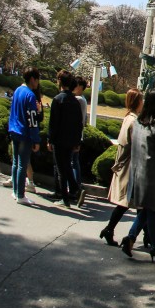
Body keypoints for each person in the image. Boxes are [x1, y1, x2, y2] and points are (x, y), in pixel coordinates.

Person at [122, 89, 155, 264]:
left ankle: (130, 239)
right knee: (153, 212)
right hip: (152, 176)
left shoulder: (138, 123)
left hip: (138, 173)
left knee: (145, 211)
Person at [100, 88, 143, 246]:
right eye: (141, 100)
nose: (143, 103)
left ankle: (147, 236)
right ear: (137, 102)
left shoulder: (128, 118)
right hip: (130, 167)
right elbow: (138, 146)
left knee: (135, 203)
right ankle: (111, 229)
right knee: (131, 202)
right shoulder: (134, 121)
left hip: (125, 165)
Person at [48, 69, 85, 208]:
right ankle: (76, 189)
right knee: (67, 167)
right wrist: (77, 141)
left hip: (59, 139)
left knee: (61, 169)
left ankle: (66, 198)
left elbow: (53, 123)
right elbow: (78, 123)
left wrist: (50, 139)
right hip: (71, 140)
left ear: (59, 82)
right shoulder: (75, 101)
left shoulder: (58, 99)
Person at [7, 68, 41, 205]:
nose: (38, 83)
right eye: (37, 79)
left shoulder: (18, 90)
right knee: (22, 164)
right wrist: (36, 139)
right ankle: (21, 195)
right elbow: (32, 120)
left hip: (14, 129)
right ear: (33, 79)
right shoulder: (30, 95)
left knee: (16, 162)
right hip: (24, 133)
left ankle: (15, 191)